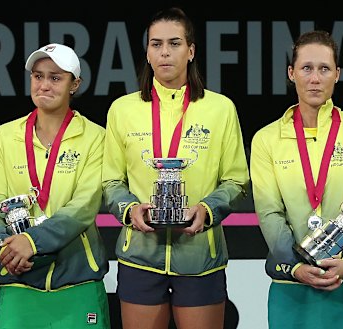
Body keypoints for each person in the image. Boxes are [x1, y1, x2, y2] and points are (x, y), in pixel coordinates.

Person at [102, 7, 249, 329]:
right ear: (147, 51)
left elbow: (236, 179)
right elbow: (111, 180)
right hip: (140, 256)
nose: (165, 52)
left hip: (200, 257)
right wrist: (129, 210)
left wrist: (207, 210)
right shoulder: (122, 110)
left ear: (191, 51)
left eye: (174, 43)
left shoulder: (220, 109)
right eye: (156, 44)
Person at [250, 30, 343, 328]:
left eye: (324, 69)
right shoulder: (266, 139)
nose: (315, 78)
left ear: (337, 74)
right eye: (307, 68)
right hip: (291, 289)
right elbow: (270, 212)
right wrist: (295, 267)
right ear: (291, 73)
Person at [0, 43, 110, 329]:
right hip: (18, 278)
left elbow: (83, 207)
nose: (44, 85)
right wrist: (5, 248)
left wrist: (32, 241)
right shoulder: (5, 135)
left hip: (78, 280)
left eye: (55, 77)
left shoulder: (96, 137)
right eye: (38, 76)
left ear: (75, 84)